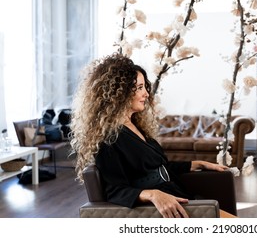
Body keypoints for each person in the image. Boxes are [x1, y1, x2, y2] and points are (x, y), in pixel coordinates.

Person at [70, 53, 229, 218]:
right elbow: (114, 190)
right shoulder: (109, 139)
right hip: (163, 209)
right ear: (118, 93)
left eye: (144, 86)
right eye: (139, 88)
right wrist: (152, 194)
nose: (146, 93)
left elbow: (157, 169)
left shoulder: (135, 127)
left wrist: (197, 164)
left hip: (176, 195)